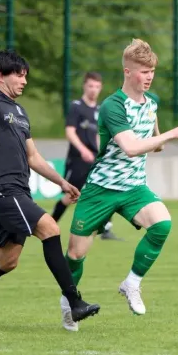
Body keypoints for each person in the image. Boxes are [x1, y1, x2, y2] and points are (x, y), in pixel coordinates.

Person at [0, 49, 101, 327]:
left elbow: (33, 157)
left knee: (6, 261)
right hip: (2, 189)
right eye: (18, 75)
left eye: (25, 75)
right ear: (1, 76)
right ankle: (74, 302)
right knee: (51, 228)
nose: (23, 81)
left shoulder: (20, 112)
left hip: (19, 190)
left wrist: (62, 182)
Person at [58, 38, 178, 331]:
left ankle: (132, 283)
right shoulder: (112, 106)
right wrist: (171, 134)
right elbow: (131, 147)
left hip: (134, 186)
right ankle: (68, 301)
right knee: (75, 254)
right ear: (127, 71)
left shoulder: (152, 102)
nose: (148, 77)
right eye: (143, 71)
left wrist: (161, 140)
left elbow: (152, 140)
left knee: (162, 224)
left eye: (152, 71)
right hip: (101, 189)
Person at [51, 72, 121, 240]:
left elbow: (98, 135)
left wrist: (103, 154)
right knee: (71, 196)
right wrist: (83, 150)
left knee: (106, 190)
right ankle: (50, 224)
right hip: (78, 160)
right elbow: (70, 132)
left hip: (95, 160)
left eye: (97, 87)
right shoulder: (76, 106)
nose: (94, 90)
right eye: (90, 86)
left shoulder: (99, 110)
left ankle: (106, 230)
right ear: (84, 86)